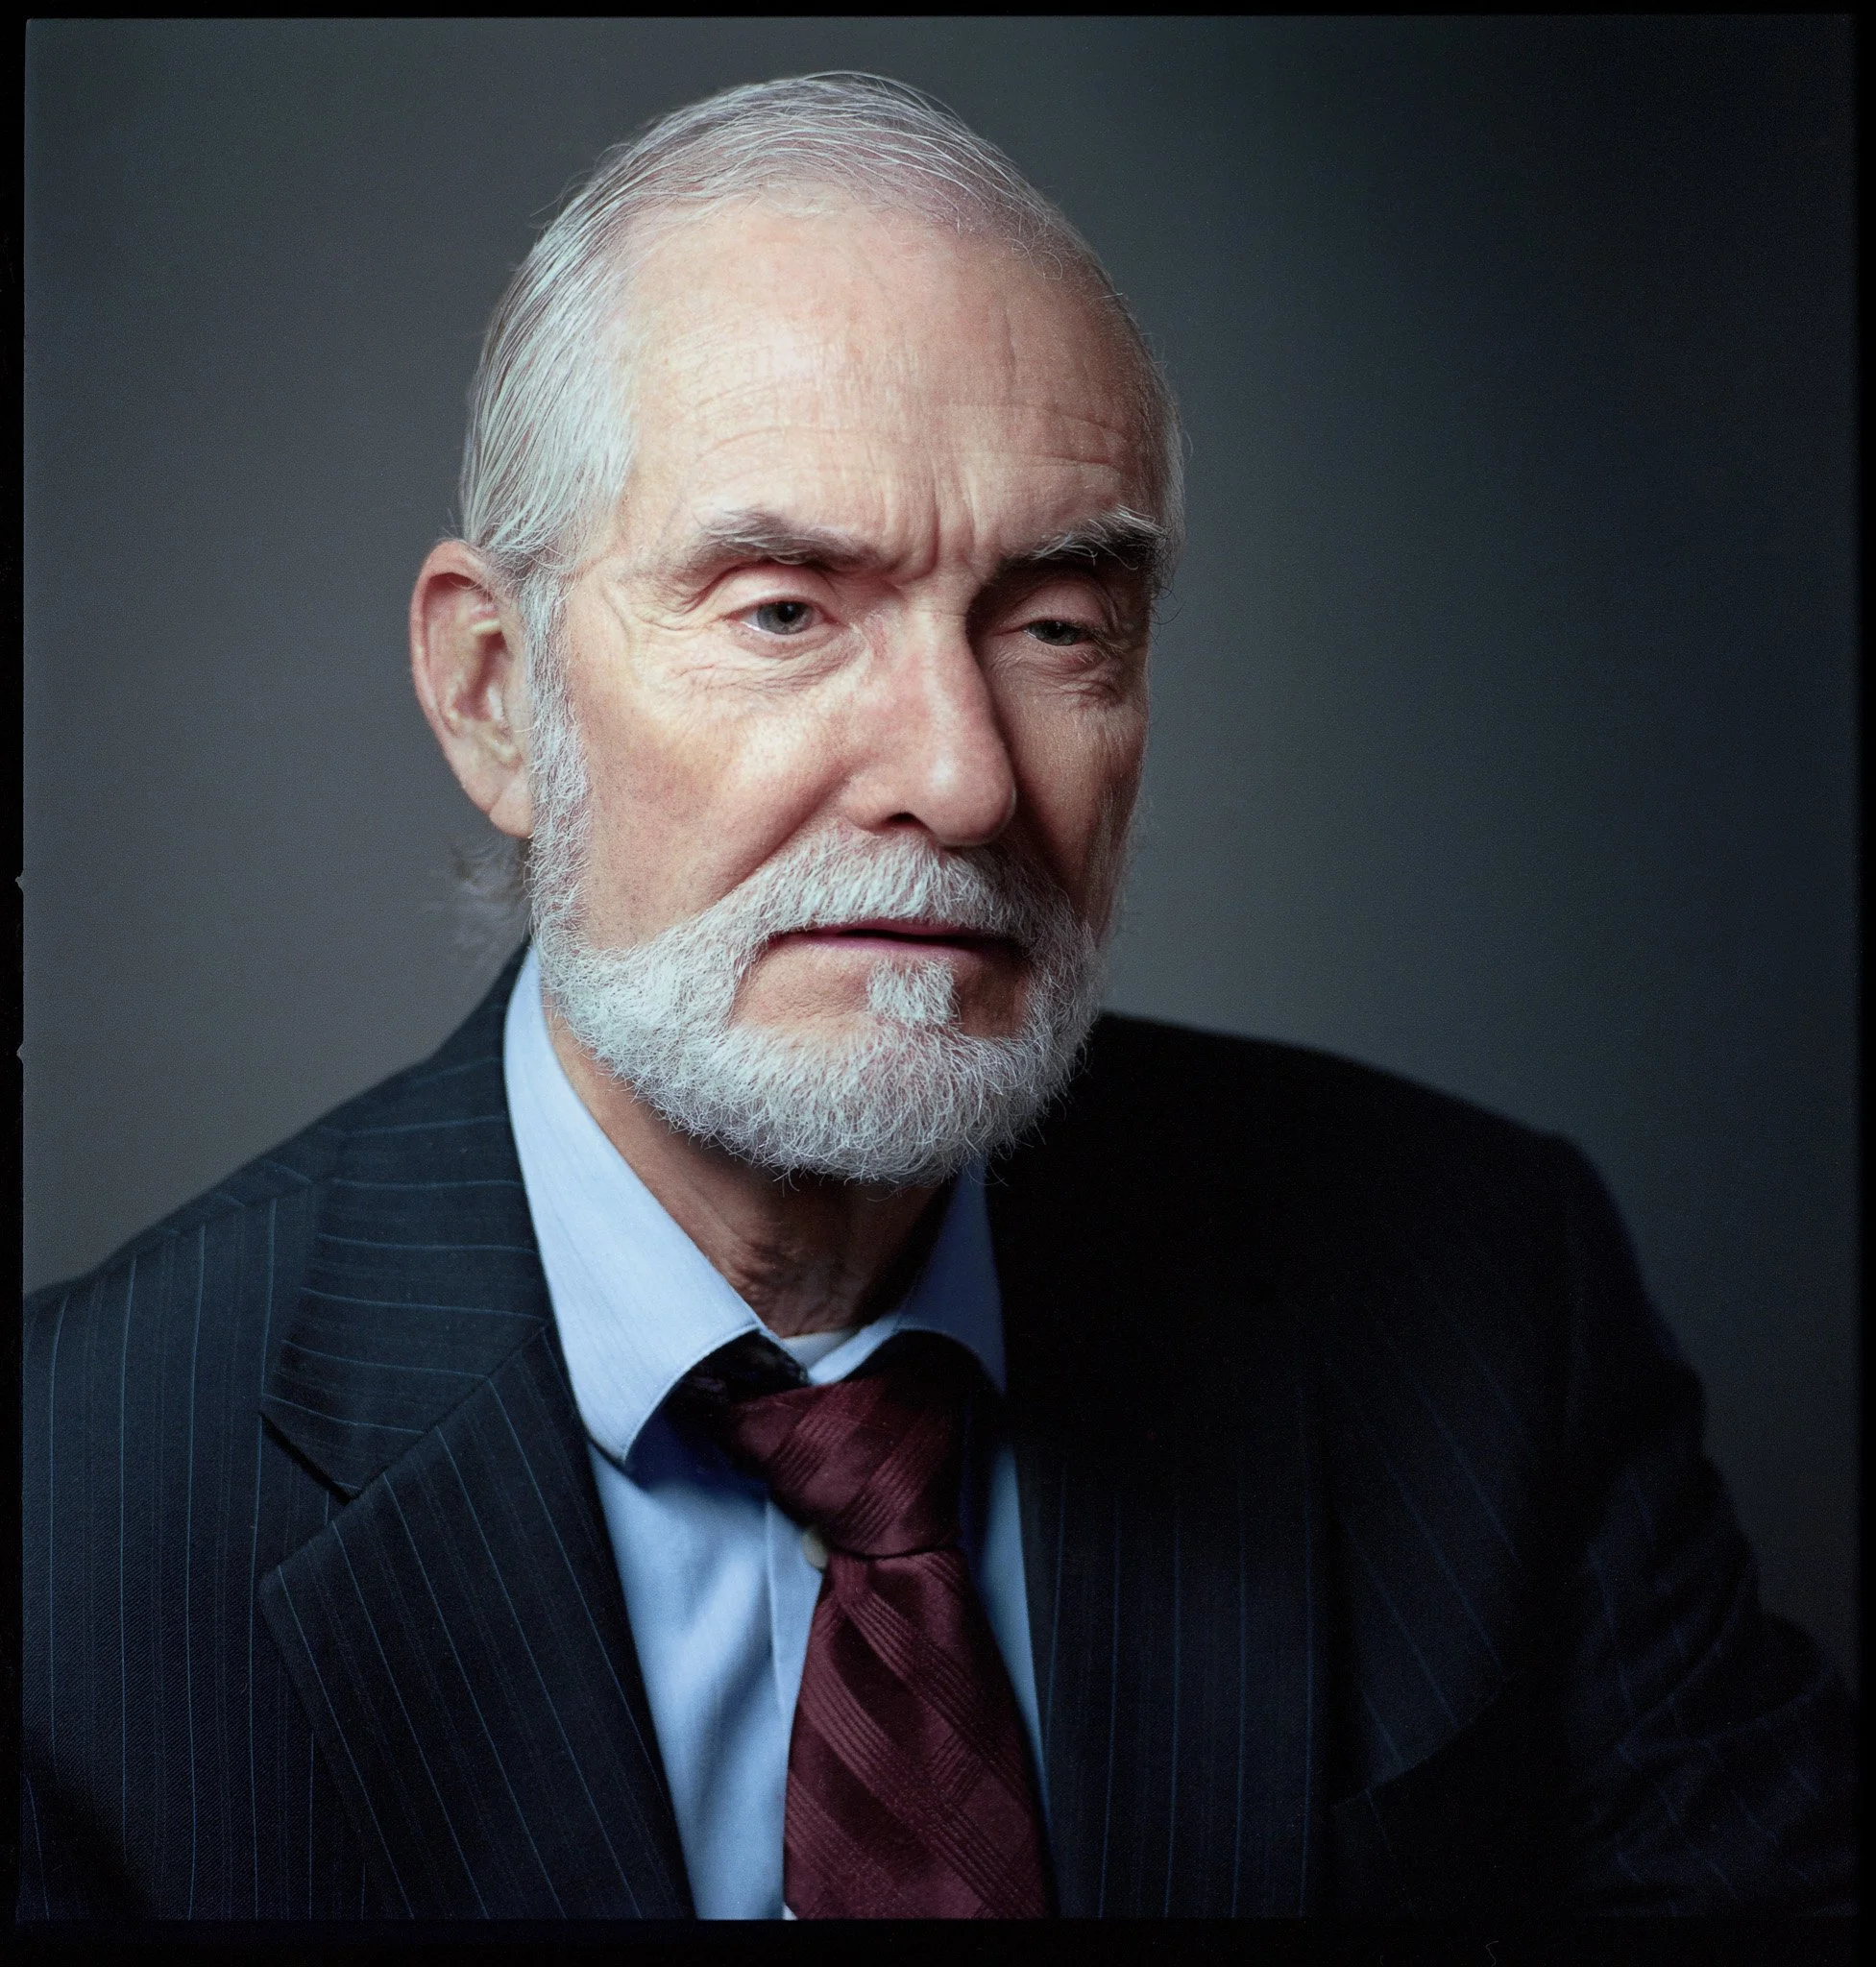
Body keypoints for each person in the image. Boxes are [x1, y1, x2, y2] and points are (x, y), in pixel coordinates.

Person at [19, 73, 1855, 1923]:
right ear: (497, 696)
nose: (963, 780)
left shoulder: (1480, 1300)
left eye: (1056, 627)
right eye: (785, 612)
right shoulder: (68, 1512)